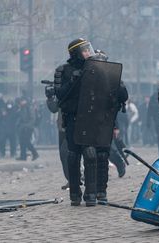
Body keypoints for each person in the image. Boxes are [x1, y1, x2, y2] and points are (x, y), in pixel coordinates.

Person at [52, 38, 127, 206]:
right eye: (84, 50)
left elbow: (121, 96)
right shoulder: (64, 70)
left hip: (95, 119)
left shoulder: (98, 69)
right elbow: (60, 96)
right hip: (74, 118)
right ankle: (75, 193)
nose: (88, 53)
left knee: (94, 154)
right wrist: (73, 80)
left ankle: (94, 193)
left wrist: (114, 80)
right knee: (73, 155)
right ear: (76, 53)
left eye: (89, 49)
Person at [16, 97, 39, 161]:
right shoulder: (22, 108)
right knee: (22, 142)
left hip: (28, 128)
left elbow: (32, 119)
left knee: (26, 142)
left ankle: (35, 154)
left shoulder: (29, 107)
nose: (19, 103)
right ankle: (23, 156)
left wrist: (27, 126)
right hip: (23, 127)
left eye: (20, 102)